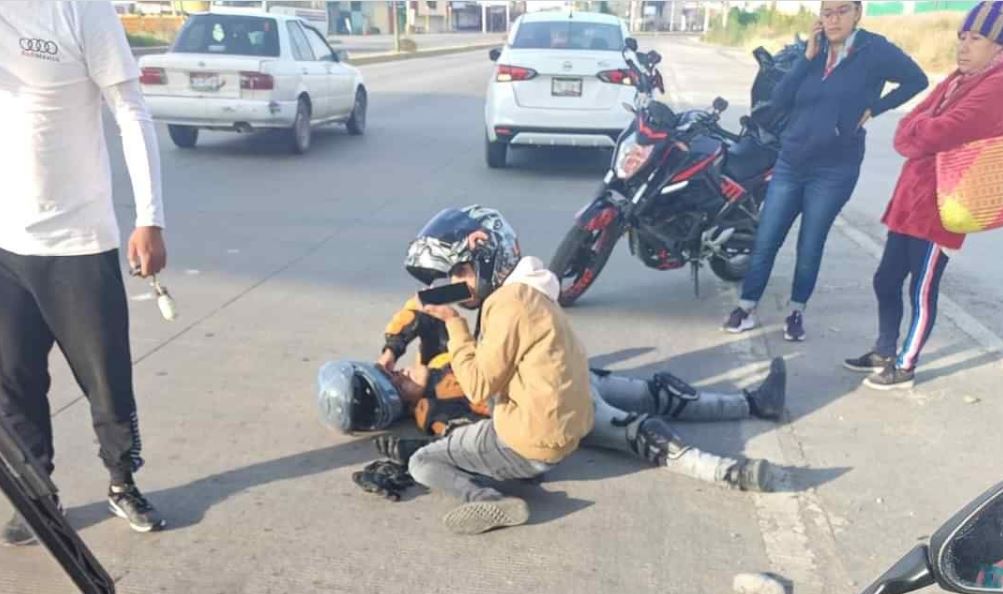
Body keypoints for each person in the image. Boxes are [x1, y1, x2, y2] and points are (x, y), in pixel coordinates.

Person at [327, 206, 782, 535]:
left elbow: (428, 318)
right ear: (399, 400)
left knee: (656, 398)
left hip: (552, 412)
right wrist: (423, 434)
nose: (401, 371)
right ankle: (731, 467)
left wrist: (397, 346)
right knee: (647, 427)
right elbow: (466, 417)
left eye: (461, 274)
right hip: (562, 405)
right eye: (396, 380)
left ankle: (492, 502)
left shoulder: (473, 320)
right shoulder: (523, 293)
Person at [0, 1, 167, 545]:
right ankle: (37, 495)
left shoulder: (81, 11)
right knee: (15, 384)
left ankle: (122, 482)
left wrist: (149, 219)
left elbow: (130, 110)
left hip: (79, 242)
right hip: (5, 245)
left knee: (106, 381)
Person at [723, 0, 928, 342]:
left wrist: (875, 108)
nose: (833, 19)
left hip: (834, 170)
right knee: (767, 238)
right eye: (826, 12)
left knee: (810, 243)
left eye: (841, 11)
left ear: (857, 12)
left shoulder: (875, 50)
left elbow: (916, 80)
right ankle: (746, 307)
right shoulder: (812, 51)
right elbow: (779, 99)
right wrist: (806, 58)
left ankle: (796, 312)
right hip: (790, 162)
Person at [845, 1, 1003, 390]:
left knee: (922, 289)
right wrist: (920, 128)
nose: (963, 46)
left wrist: (920, 129)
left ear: (998, 47)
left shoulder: (996, 85)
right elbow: (909, 125)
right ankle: (884, 350)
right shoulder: (957, 78)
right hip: (909, 200)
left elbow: (941, 131)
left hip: (943, 206)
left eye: (976, 38)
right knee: (886, 279)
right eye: (961, 37)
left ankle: (906, 365)